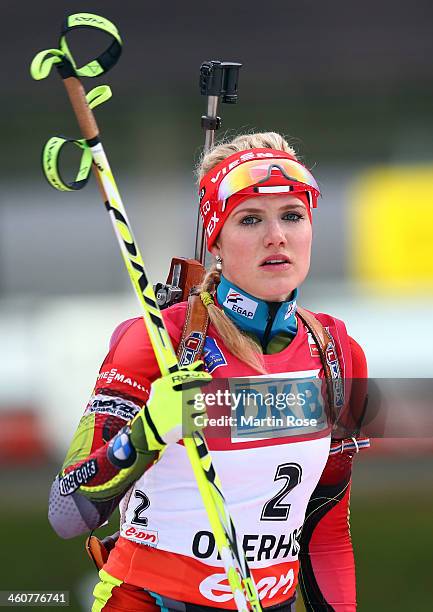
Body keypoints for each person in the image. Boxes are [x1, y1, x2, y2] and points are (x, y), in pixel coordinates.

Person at [48, 132, 370, 611]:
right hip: (148, 600)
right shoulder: (159, 340)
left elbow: (325, 530)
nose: (276, 235)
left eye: (292, 215)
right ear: (215, 238)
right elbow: (65, 511)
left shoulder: (337, 352)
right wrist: (146, 433)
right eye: (250, 219)